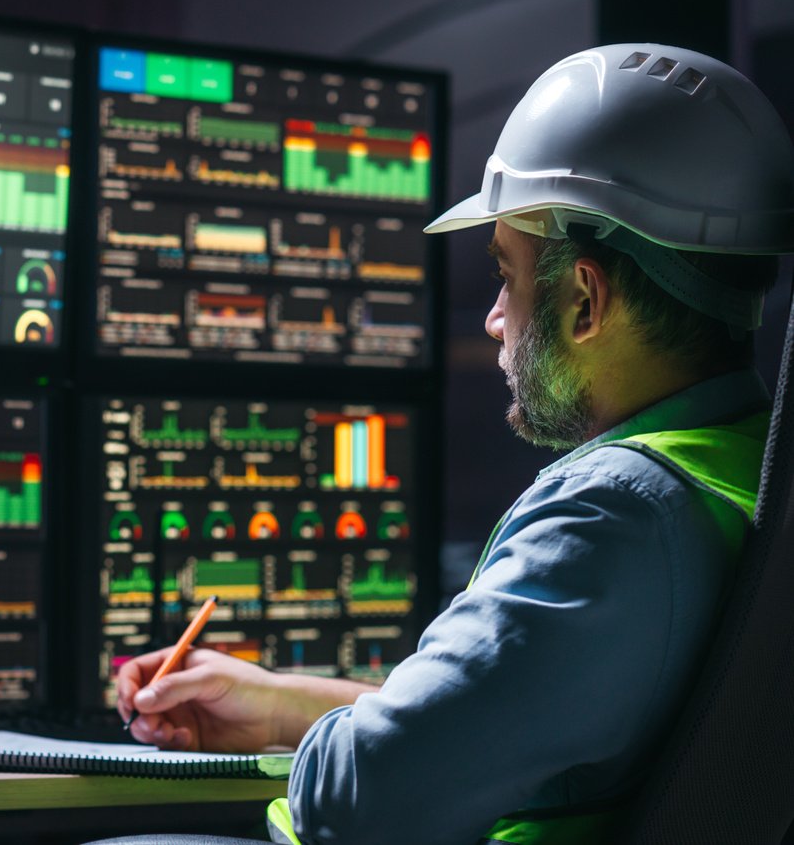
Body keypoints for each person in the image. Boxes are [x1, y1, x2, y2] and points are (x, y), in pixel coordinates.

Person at [114, 43, 794, 845]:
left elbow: (365, 796)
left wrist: (332, 745)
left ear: (583, 298)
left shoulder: (613, 516)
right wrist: (277, 703)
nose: (495, 320)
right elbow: (502, 730)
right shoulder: (748, 478)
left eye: (505, 274)